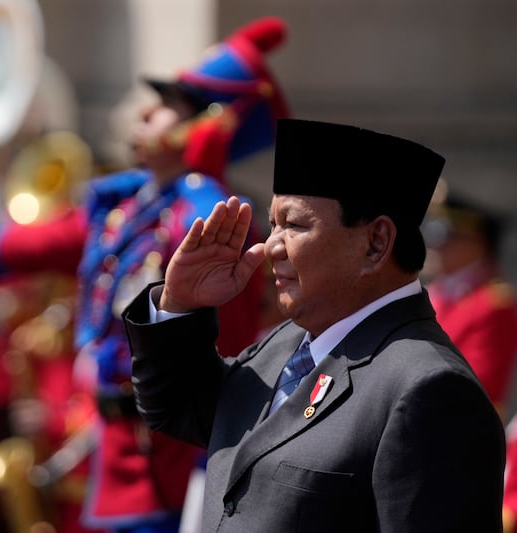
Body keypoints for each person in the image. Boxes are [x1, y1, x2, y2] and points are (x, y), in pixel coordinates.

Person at [0, 16, 290, 533]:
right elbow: (30, 245)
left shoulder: (205, 218)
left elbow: (219, 355)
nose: (145, 112)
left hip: (179, 454)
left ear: (210, 122)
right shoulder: (129, 207)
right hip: (114, 444)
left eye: (168, 105)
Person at [122, 118, 506, 532]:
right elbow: (178, 407)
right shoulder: (289, 343)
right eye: (273, 225)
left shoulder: (427, 389)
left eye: (295, 225)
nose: (271, 246)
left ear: (376, 243)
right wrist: (180, 304)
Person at [422, 191, 517, 417]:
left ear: (478, 242)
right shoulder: (436, 292)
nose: (438, 246)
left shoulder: (494, 304)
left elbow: (479, 385)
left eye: (449, 237)